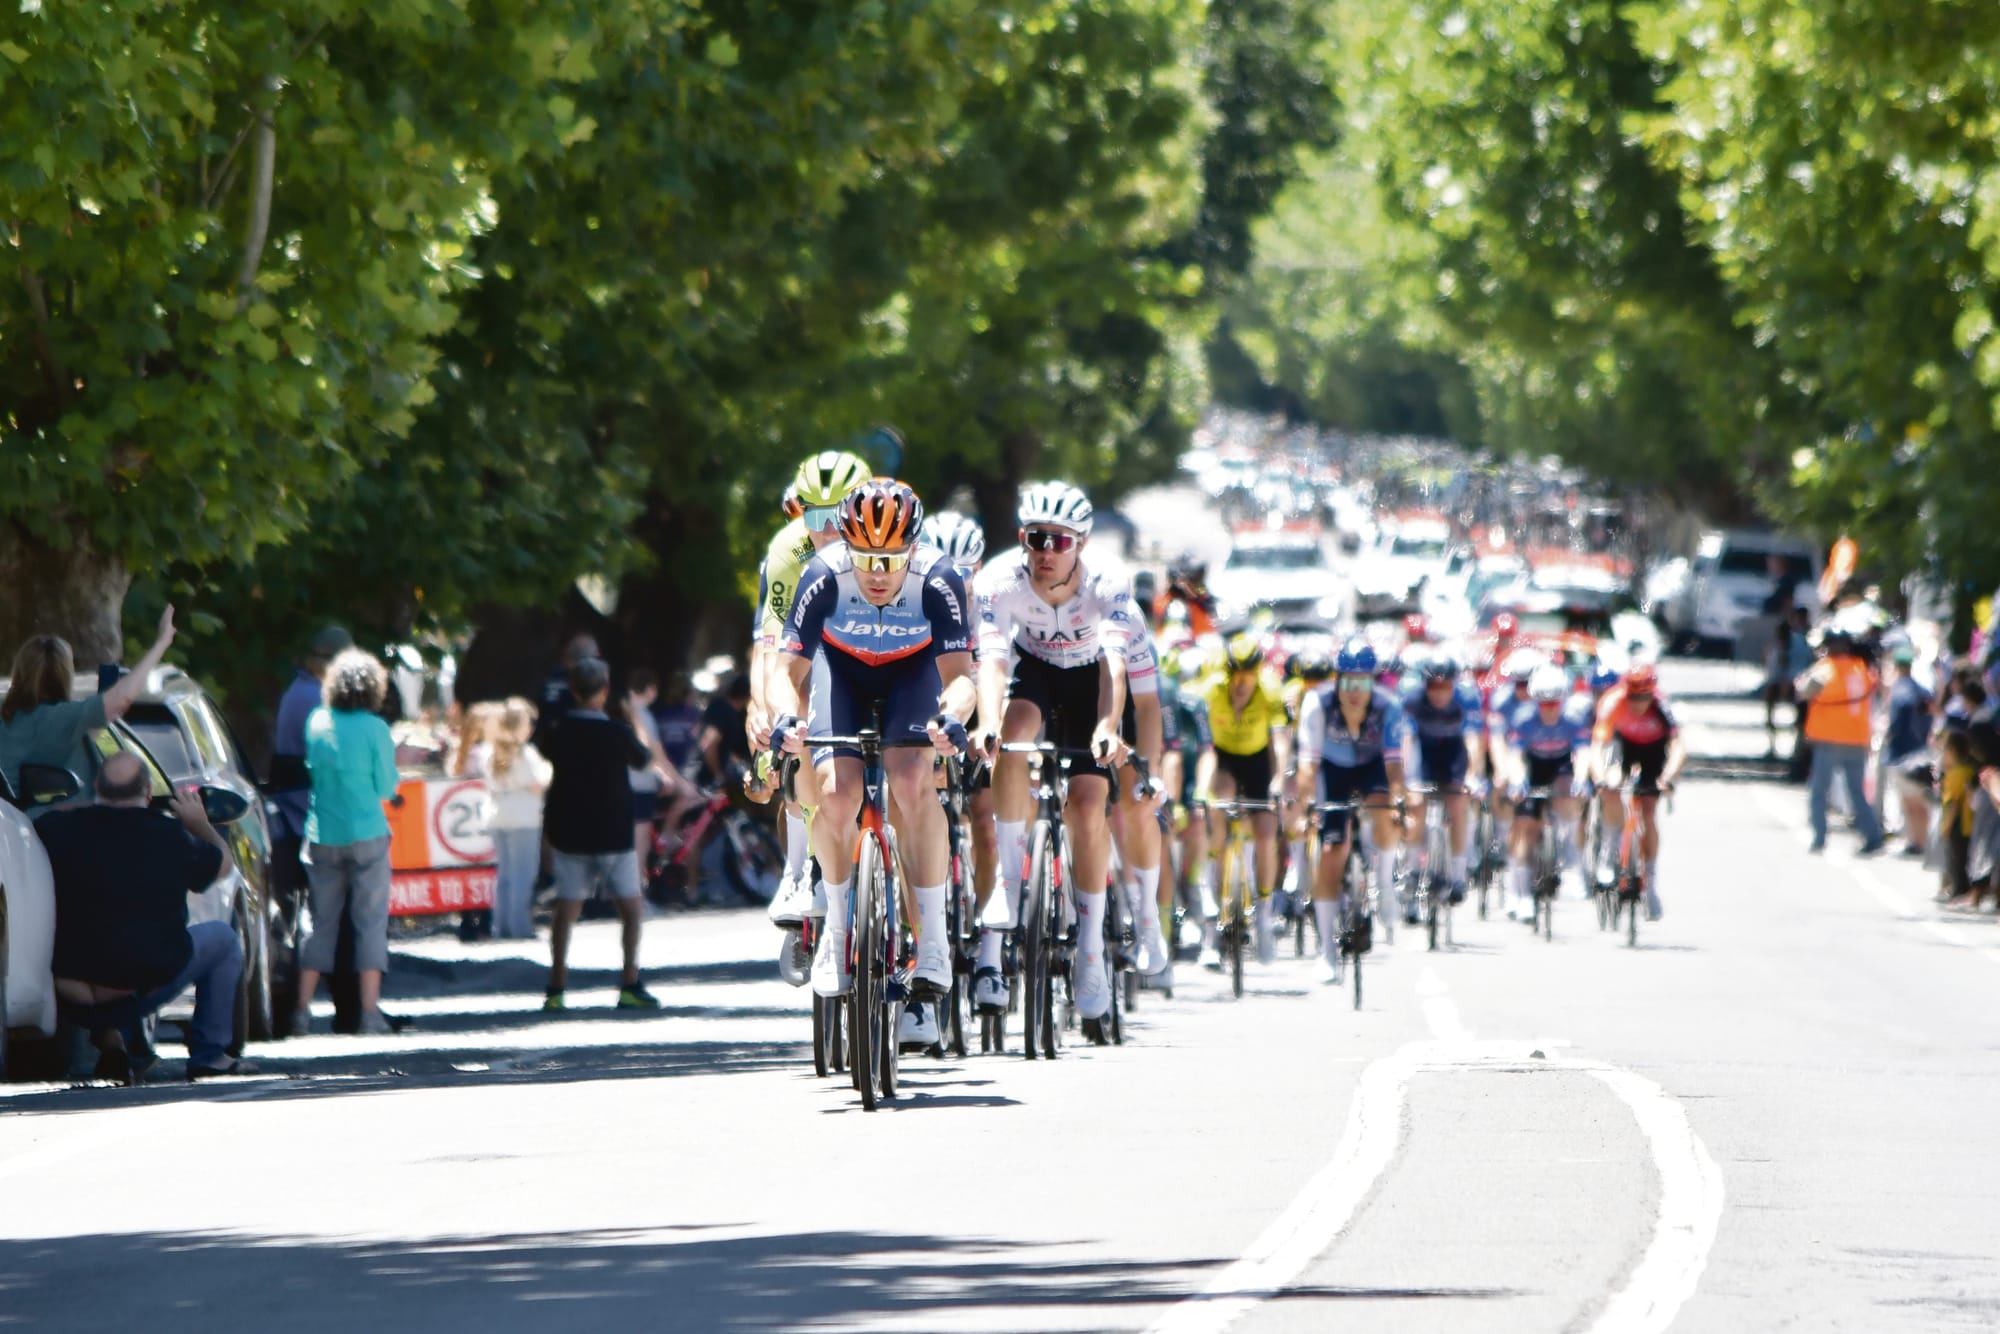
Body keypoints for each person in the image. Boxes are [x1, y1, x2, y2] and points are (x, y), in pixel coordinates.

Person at [768, 478, 977, 1050]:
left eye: (890, 558)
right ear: (847, 548)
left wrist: (953, 718)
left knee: (912, 779)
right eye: (865, 558)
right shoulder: (823, 575)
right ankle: (836, 929)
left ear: (912, 547)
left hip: (913, 673)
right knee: (835, 792)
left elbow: (961, 677)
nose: (878, 571)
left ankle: (931, 937)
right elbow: (785, 671)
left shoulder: (940, 577)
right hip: (844, 671)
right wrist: (787, 718)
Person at [971, 481, 1132, 1044]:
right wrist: (987, 723)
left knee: (1088, 806)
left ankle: (1090, 950)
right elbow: (991, 663)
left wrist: (1109, 727)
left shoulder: (1109, 583)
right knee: (1013, 734)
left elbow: (1116, 665)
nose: (1045, 550)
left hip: (1091, 681)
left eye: (1058, 541)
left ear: (1080, 545)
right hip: (1036, 672)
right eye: (1035, 538)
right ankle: (1010, 884)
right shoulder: (998, 581)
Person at [41, 752, 249, 1081]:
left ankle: (116, 1043)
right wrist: (201, 826)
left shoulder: (56, 829)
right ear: (148, 793)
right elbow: (223, 867)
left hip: (67, 988)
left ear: (96, 786)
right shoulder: (170, 836)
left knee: (99, 934)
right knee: (222, 940)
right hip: (135, 986)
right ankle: (210, 1055)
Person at [753, 450, 871, 930]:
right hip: (815, 654)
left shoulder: (891, 542)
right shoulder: (789, 551)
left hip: (880, 656)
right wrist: (761, 711)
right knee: (796, 713)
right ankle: (800, 867)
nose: (826, 531)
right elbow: (771, 645)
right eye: (814, 516)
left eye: (838, 516)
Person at [541, 655, 661, 1011]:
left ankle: (556, 985)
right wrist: (632, 717)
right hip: (613, 830)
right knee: (630, 906)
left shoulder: (559, 731)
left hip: (569, 828)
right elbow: (644, 759)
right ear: (605, 691)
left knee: (567, 907)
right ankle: (629, 981)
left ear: (573, 689)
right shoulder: (616, 731)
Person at [294, 648, 403, 1036]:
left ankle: (301, 1012)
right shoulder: (376, 729)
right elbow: (386, 786)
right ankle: (370, 1013)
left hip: (321, 833)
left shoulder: (317, 721)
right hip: (367, 834)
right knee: (369, 923)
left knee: (319, 923)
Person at [1296, 637, 1406, 985]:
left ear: (1373, 682)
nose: (1355, 691)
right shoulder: (1318, 703)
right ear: (1337, 680)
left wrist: (1400, 801)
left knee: (1386, 812)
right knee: (1332, 851)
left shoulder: (1389, 707)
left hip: (1372, 766)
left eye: (1363, 682)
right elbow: (1307, 767)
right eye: (1348, 682)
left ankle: (1386, 885)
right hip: (1333, 769)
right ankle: (1326, 950)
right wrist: (1303, 809)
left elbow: (1395, 766)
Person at [0, 605, 177, 791]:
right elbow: (121, 699)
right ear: (66, 674)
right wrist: (162, 641)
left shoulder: (10, 720)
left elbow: (83, 734)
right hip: (53, 818)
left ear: (19, 672)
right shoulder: (58, 718)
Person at [1191, 633, 1290, 967]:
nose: (1242, 684)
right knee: (1217, 801)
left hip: (1258, 759)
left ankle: (1263, 914)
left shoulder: (1270, 690)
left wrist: (1278, 780)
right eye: (1237, 676)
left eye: (1249, 676)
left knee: (1265, 831)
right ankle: (1210, 919)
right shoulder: (1212, 689)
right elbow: (1205, 748)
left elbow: (1280, 741)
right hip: (1224, 760)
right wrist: (1201, 793)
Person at [1590, 663, 1685, 919]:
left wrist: (1668, 778)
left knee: (1649, 811)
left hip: (1653, 751)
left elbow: (1677, 748)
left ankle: (1651, 884)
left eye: (1643, 697)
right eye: (1632, 696)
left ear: (1652, 693)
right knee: (1611, 786)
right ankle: (1609, 851)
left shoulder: (1662, 706)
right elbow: (1598, 745)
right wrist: (1599, 777)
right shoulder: (1612, 702)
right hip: (1623, 747)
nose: (1637, 703)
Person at [1501, 665, 1588, 920]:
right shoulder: (1523, 718)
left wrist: (1581, 780)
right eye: (1543, 704)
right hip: (1533, 765)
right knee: (1526, 825)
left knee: (1570, 798)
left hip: (1561, 763)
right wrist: (1517, 781)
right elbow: (1515, 755)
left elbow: (1582, 752)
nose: (1549, 708)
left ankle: (1571, 859)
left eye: (1554, 703)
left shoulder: (1573, 717)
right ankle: (1521, 893)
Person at [1401, 652, 1485, 913]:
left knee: (1457, 802)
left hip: (1453, 752)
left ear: (1454, 684)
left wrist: (1474, 775)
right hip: (1424, 752)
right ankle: (1414, 869)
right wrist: (1407, 781)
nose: (1439, 693)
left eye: (1445, 687)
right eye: (1433, 687)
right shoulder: (1412, 698)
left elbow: (1473, 741)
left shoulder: (1467, 698)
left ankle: (1459, 874)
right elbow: (1406, 742)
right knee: (1416, 805)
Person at [463, 698, 551, 940]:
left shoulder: (490, 751)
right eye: (528, 723)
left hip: (497, 813)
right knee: (524, 873)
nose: (531, 727)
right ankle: (520, 927)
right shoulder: (525, 753)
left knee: (505, 875)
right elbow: (537, 783)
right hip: (523, 816)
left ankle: (501, 926)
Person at [1796, 628, 1884, 855]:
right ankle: (1872, 835)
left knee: (1819, 791)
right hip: (1856, 739)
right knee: (1856, 792)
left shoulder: (1824, 669)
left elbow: (1804, 691)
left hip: (1828, 739)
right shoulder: (1862, 668)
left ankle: (1819, 838)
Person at [1881, 644, 1935, 857]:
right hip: (1920, 750)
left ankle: (1916, 841)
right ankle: (1921, 841)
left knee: (1910, 802)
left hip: (1901, 752)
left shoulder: (1899, 691)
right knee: (1919, 801)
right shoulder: (1920, 690)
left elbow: (1895, 724)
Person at [534, 633, 599, 753]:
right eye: (596, 654)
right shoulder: (581, 682)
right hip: (567, 744)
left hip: (541, 739)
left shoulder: (550, 674)